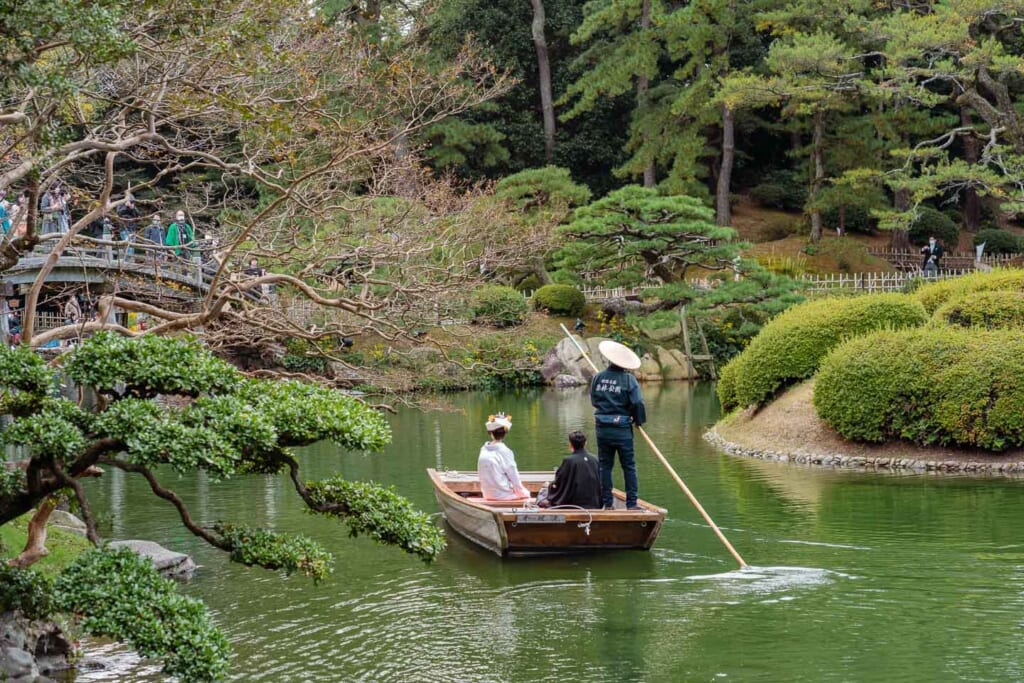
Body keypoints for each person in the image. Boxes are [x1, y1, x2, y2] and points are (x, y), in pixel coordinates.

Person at [590, 340, 647, 510]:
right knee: (628, 466)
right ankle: (631, 504)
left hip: (602, 427)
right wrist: (638, 420)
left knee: (605, 466)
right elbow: (637, 403)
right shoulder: (629, 380)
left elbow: (594, 401)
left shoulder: (597, 377)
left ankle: (607, 503)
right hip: (622, 429)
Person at [538, 430, 601, 509]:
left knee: (543, 493)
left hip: (573, 504)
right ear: (585, 444)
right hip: (594, 504)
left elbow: (559, 483)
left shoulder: (569, 460)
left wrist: (549, 486)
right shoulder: (595, 459)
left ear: (570, 444)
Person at [477, 413, 530, 501]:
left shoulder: (483, 449)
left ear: (490, 433)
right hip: (503, 496)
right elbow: (514, 475)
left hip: (487, 494)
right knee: (527, 494)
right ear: (505, 433)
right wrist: (524, 493)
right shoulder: (505, 451)